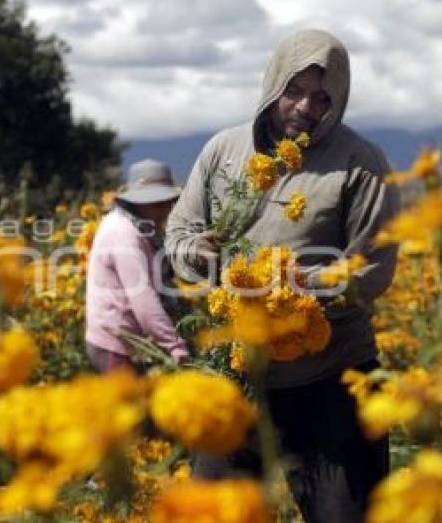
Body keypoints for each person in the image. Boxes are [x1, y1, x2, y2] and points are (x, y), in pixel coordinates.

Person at [165, 29, 400, 522]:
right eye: (294, 91)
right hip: (234, 378)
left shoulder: (360, 164)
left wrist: (294, 295)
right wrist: (197, 252)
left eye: (322, 98)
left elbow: (372, 270)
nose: (305, 107)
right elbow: (180, 231)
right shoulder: (222, 151)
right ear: (274, 83)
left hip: (329, 382)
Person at [85, 158, 190, 372]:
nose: (167, 210)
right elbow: (144, 300)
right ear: (141, 203)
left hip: (121, 341)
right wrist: (176, 347)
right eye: (160, 203)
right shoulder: (126, 234)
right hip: (116, 345)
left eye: (169, 202)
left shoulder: (131, 225)